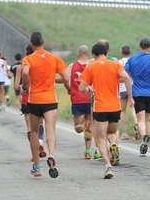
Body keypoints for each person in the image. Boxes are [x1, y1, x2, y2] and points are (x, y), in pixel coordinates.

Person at [79, 43, 134, 179]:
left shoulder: (91, 66)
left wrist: (88, 90)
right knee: (112, 132)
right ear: (106, 53)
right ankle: (114, 144)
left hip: (100, 107)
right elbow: (126, 77)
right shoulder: (115, 64)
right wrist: (130, 97)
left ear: (94, 55)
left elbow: (81, 88)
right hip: (115, 106)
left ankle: (108, 166)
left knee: (101, 138)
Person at [21, 32, 68, 178]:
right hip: (50, 99)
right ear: (44, 41)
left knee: (34, 132)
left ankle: (36, 166)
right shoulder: (54, 58)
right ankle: (52, 155)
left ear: (31, 44)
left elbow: (25, 71)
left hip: (35, 99)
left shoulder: (28, 58)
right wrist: (53, 80)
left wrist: (25, 84)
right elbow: (67, 77)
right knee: (50, 130)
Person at [124, 36, 150, 157]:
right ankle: (145, 145)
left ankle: (143, 137)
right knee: (147, 119)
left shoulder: (132, 59)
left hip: (137, 93)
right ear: (149, 47)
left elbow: (125, 75)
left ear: (139, 46)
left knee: (141, 120)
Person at [14, 44, 47, 162]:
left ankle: (35, 154)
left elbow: (16, 86)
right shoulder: (41, 64)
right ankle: (41, 141)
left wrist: (23, 87)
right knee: (40, 124)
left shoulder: (21, 67)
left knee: (30, 128)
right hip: (41, 98)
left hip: (27, 99)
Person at [63, 45, 93, 159]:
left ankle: (83, 128)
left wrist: (69, 88)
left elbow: (65, 79)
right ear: (89, 54)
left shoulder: (72, 65)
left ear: (78, 54)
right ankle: (87, 151)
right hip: (90, 99)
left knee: (77, 126)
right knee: (89, 125)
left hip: (77, 99)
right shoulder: (92, 65)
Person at [118, 45, 139, 141]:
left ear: (122, 53)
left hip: (122, 89)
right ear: (130, 52)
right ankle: (137, 126)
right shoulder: (134, 61)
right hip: (133, 87)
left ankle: (125, 132)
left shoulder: (119, 62)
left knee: (122, 110)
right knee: (133, 108)